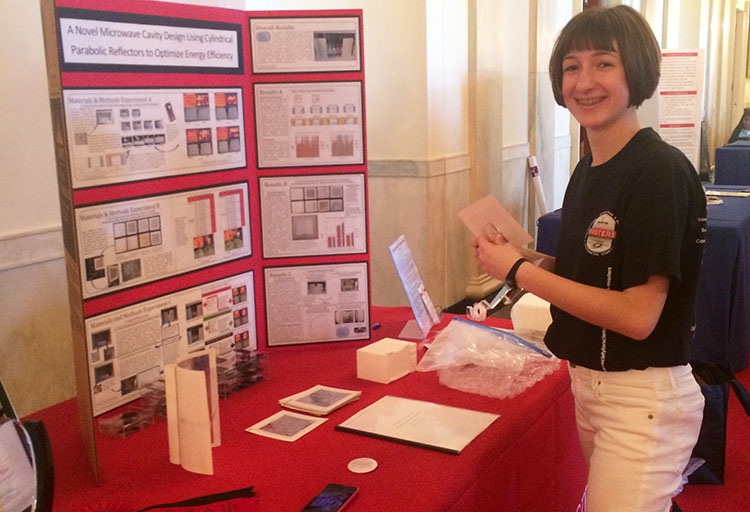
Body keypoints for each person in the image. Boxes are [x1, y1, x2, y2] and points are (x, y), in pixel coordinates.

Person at [472, 6, 706, 512]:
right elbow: (586, 277)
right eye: (571, 67)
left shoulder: (658, 170)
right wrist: (524, 256)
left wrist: (518, 272)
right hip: (590, 383)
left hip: (641, 395)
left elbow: (637, 316)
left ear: (637, 71)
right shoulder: (591, 167)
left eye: (603, 63)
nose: (584, 82)